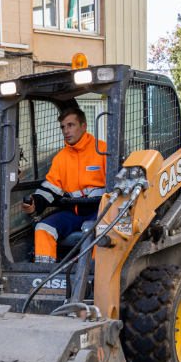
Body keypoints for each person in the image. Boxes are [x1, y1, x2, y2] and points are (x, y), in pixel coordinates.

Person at [22, 108, 107, 262]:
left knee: (98, 229)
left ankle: (95, 273)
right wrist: (35, 202)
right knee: (43, 228)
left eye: (71, 125)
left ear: (84, 126)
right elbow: (51, 187)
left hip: (100, 211)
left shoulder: (104, 150)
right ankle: (44, 273)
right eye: (63, 127)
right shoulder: (61, 158)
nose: (66, 131)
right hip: (73, 213)